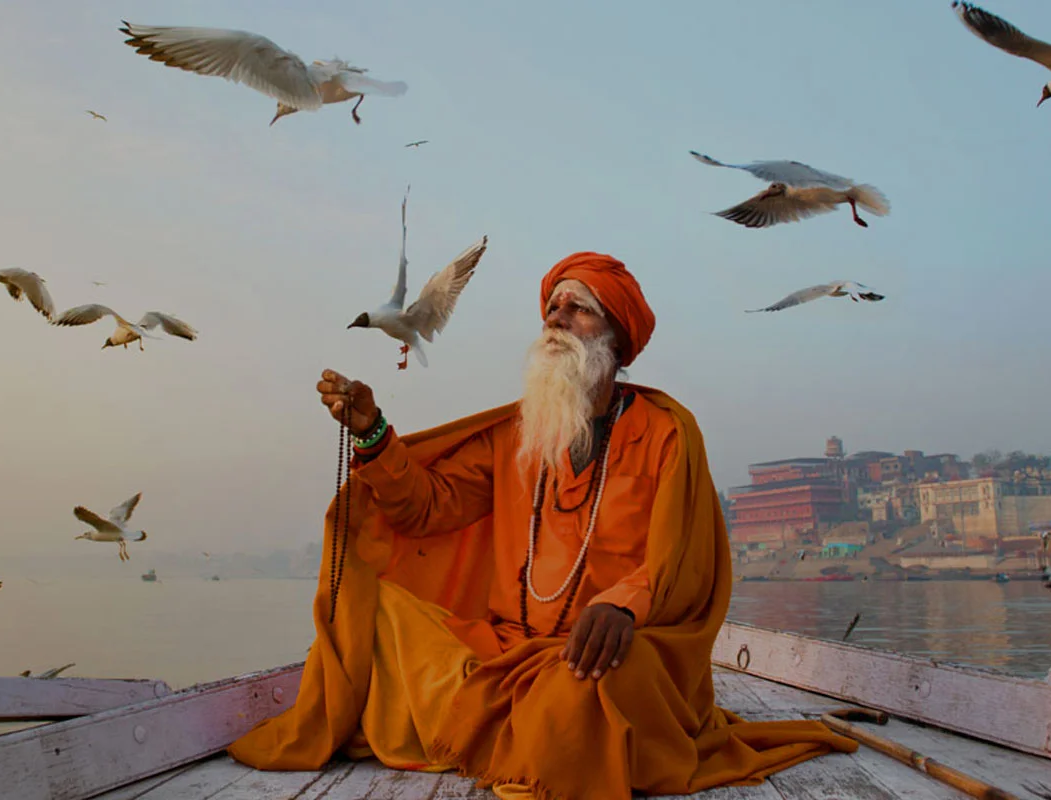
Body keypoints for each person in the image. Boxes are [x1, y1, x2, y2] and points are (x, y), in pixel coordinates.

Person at [227, 252, 856, 799]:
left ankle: (512, 732)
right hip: (504, 650)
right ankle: (517, 731)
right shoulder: (518, 436)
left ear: (615, 336)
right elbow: (426, 506)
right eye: (552, 307)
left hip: (611, 651)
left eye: (577, 309)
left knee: (587, 689)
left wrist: (623, 607)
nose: (555, 319)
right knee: (377, 609)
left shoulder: (667, 432)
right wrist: (371, 432)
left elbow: (681, 562)